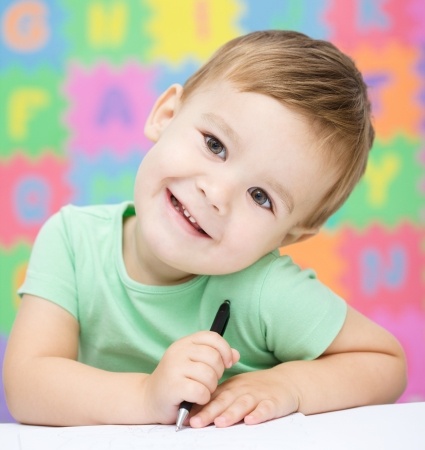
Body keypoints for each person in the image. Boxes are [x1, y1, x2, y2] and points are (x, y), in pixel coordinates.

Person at [3, 30, 406, 428]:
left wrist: (287, 384)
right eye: (215, 145)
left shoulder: (264, 289)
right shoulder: (73, 242)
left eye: (260, 196)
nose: (216, 194)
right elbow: (27, 383)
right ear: (165, 116)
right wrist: (146, 395)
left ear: (290, 235)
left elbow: (385, 362)